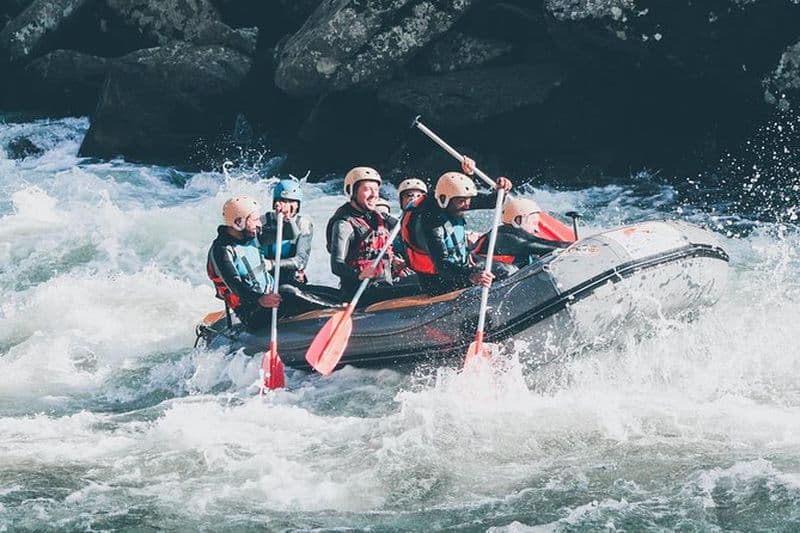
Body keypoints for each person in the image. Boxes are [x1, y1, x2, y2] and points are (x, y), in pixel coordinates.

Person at [401, 160, 513, 296]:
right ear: (444, 200)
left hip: (460, 263)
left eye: (468, 200)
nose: (467, 205)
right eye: (462, 201)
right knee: (498, 275)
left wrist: (502, 189)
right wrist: (472, 276)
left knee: (506, 271)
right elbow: (442, 265)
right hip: (437, 280)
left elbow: (491, 202)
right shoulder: (431, 223)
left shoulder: (454, 200)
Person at [326, 166, 412, 303]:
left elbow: (407, 228)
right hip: (360, 292)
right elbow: (337, 265)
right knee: (420, 287)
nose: (374, 194)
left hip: (385, 284)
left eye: (376, 189)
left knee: (424, 279)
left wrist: (393, 260)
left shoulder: (379, 217)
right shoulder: (344, 224)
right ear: (351, 192)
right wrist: (359, 274)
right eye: (367, 189)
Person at [206, 196, 282, 329]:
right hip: (250, 310)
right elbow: (236, 286)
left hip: (270, 292)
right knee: (289, 291)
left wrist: (282, 215)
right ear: (239, 222)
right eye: (255, 220)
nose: (259, 224)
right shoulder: (222, 250)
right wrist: (260, 299)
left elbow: (290, 233)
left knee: (292, 285)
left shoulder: (251, 235)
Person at [472, 197, 571, 269]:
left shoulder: (504, 232)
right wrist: (574, 246)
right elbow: (545, 246)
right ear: (518, 220)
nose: (537, 229)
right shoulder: (508, 237)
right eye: (534, 223)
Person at [259, 178, 314, 286]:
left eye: (291, 201)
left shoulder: (304, 225)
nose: (286, 205)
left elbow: (301, 261)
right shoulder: (262, 221)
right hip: (265, 276)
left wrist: (272, 264)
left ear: (297, 205)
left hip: (290, 277)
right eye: (283, 201)